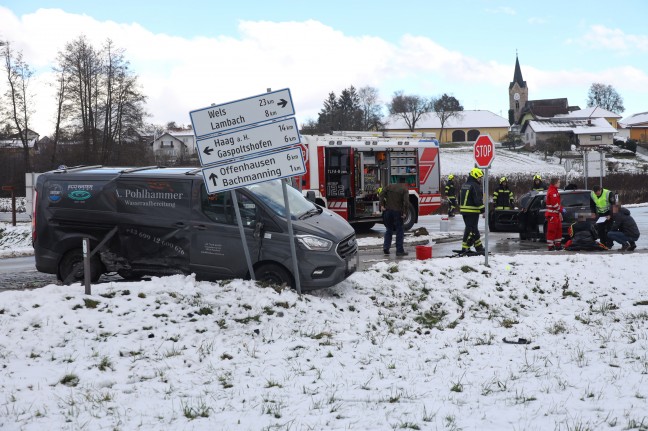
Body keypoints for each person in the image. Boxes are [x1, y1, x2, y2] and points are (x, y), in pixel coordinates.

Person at [379, 178, 409, 257]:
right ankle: (399, 251)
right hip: (397, 212)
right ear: (404, 183)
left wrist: (382, 205)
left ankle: (386, 247)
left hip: (388, 211)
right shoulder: (404, 189)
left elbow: (381, 194)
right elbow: (406, 202)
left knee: (389, 229)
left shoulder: (389, 186)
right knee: (399, 230)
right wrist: (405, 212)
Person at [459, 168, 485, 254]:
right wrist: (482, 208)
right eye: (479, 178)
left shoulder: (464, 185)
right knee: (471, 230)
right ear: (475, 176)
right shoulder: (475, 186)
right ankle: (466, 247)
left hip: (464, 211)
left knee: (472, 229)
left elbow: (459, 197)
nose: (480, 180)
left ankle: (478, 247)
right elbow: (477, 199)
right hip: (472, 211)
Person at [545, 177, 563, 251]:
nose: (559, 183)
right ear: (555, 183)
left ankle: (558, 245)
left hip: (555, 214)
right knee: (552, 230)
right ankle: (551, 246)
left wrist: (559, 212)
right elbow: (554, 204)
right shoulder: (552, 191)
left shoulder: (554, 190)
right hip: (552, 214)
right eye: (558, 182)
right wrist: (561, 209)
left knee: (558, 230)